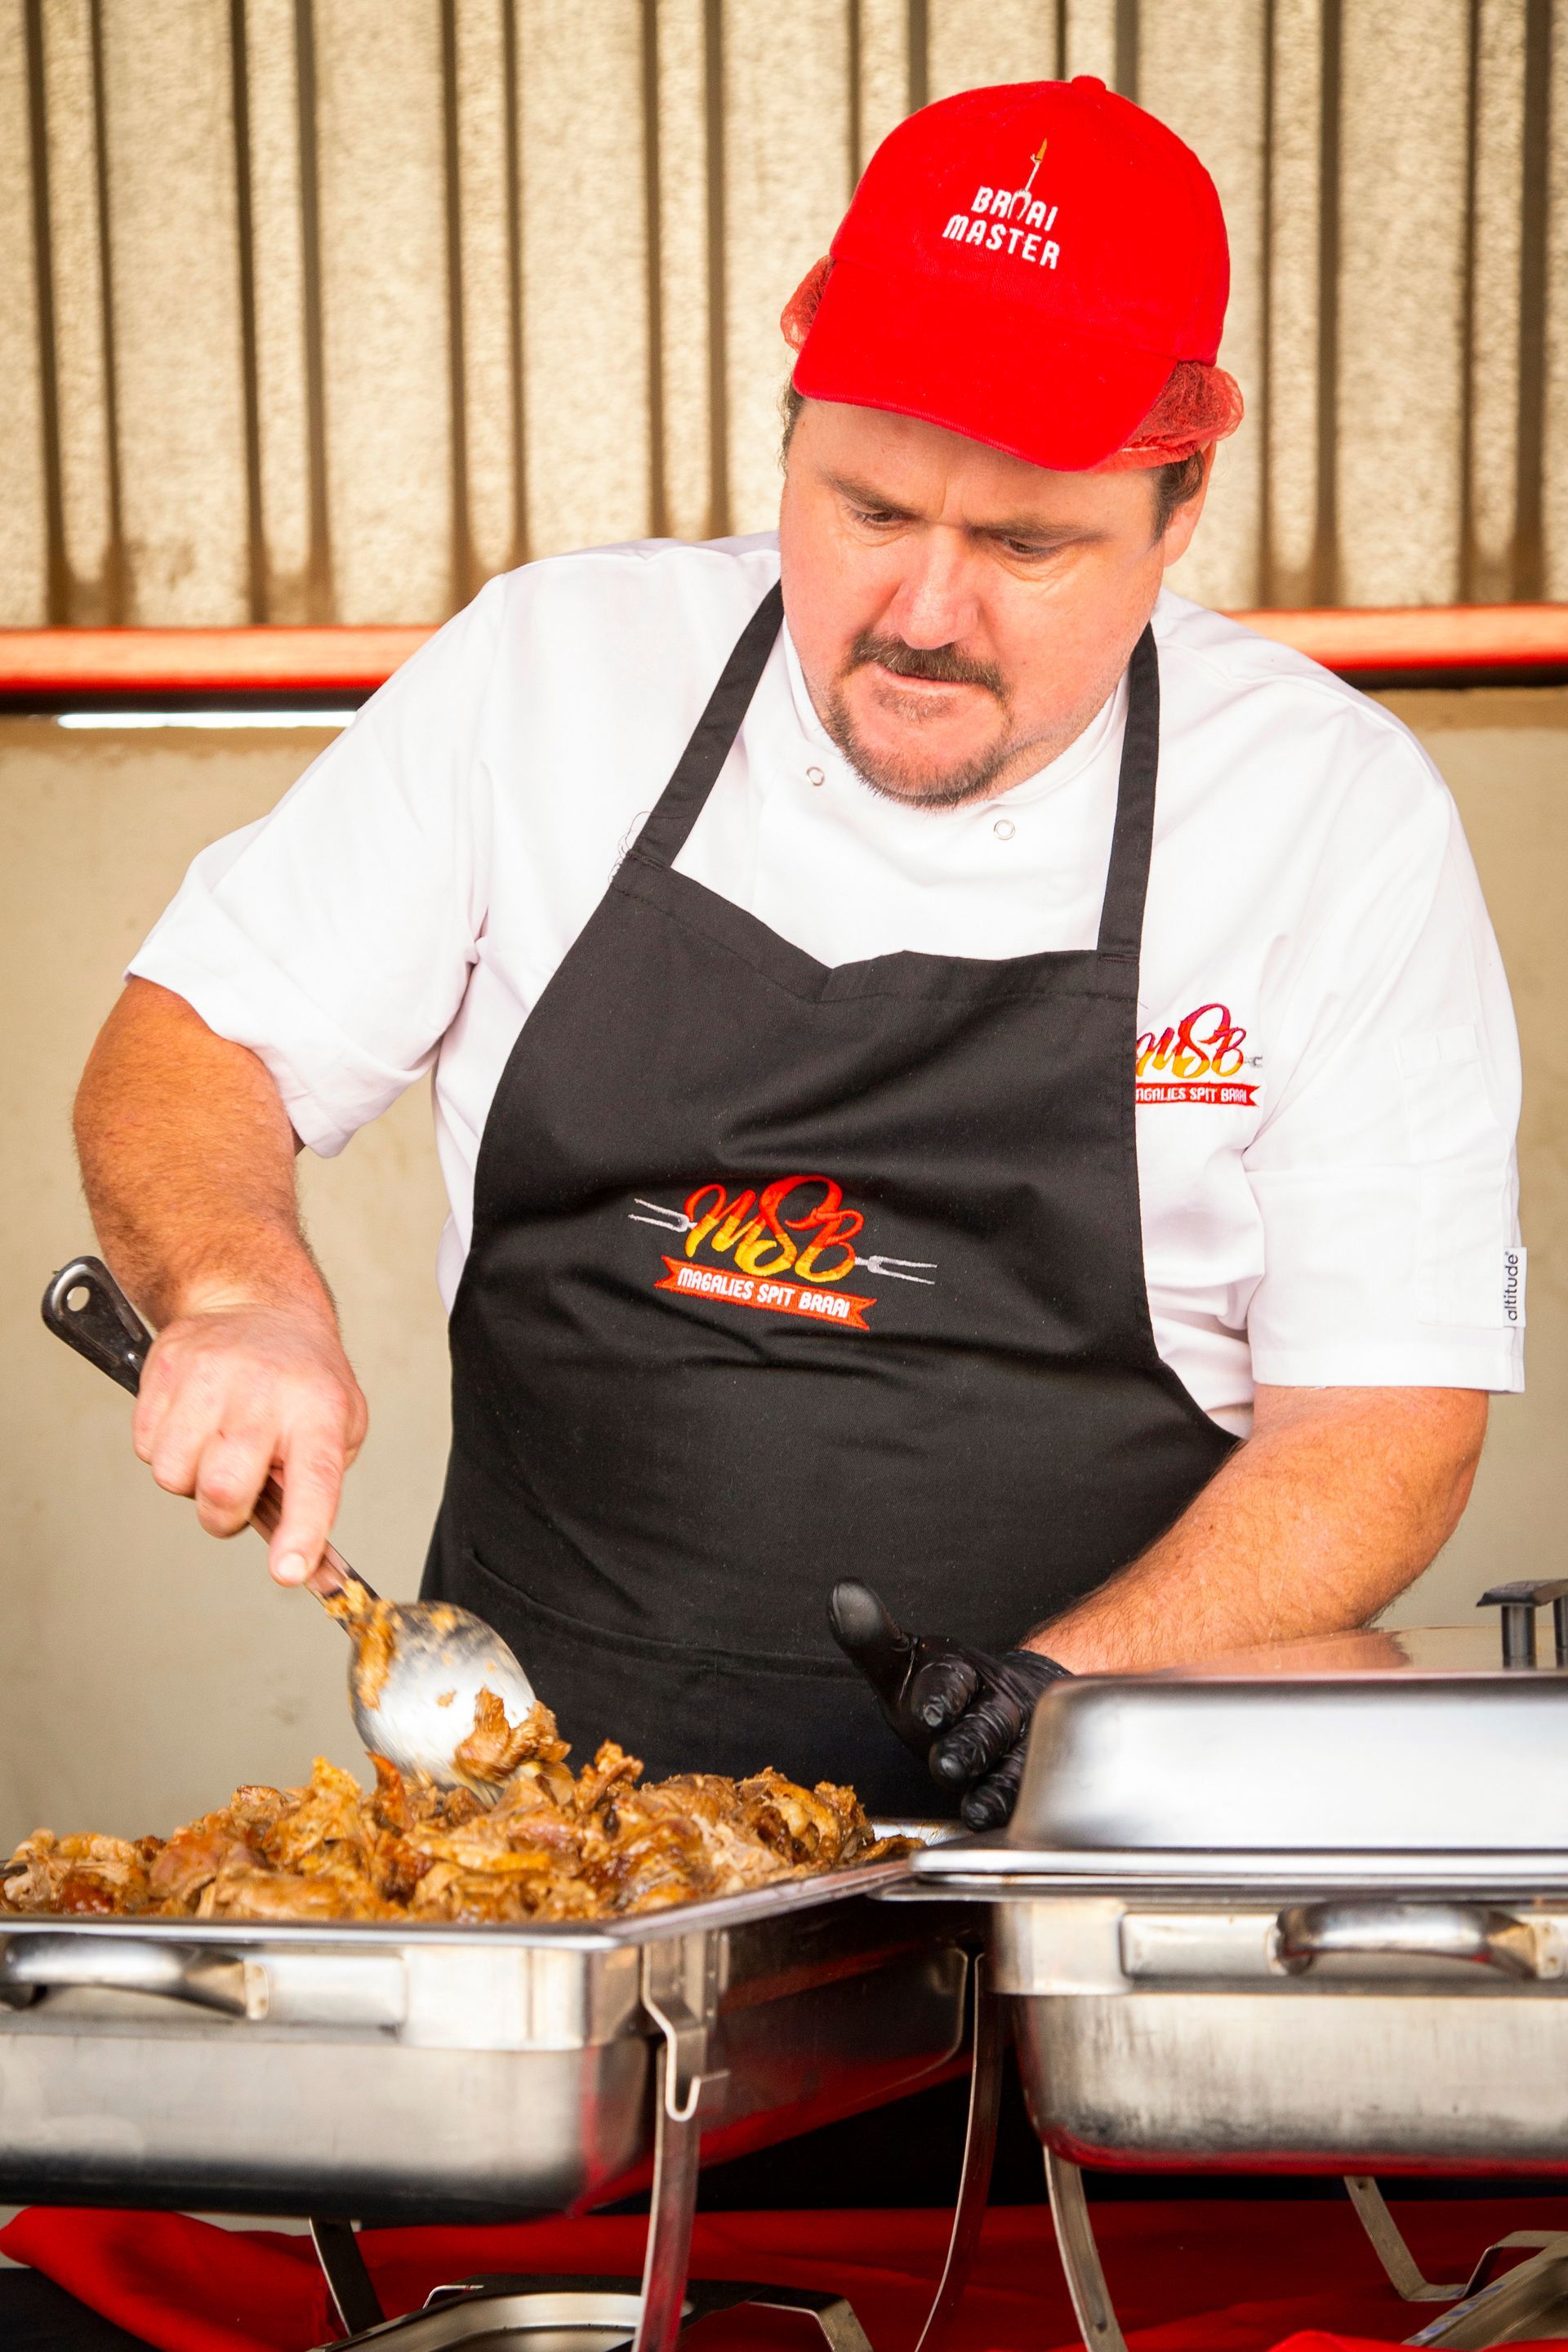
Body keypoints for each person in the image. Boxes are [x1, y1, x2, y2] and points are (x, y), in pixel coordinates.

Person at [73, 78, 1521, 1829]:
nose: (923, 611)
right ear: (793, 428)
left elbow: (1388, 1422)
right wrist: (241, 1297)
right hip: (543, 1868)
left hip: (1055, 1882)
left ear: (1179, 508)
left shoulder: (1325, 819)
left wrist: (1070, 1700)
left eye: (1023, 545)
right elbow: (195, 1038)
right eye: (869, 511)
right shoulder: (554, 677)